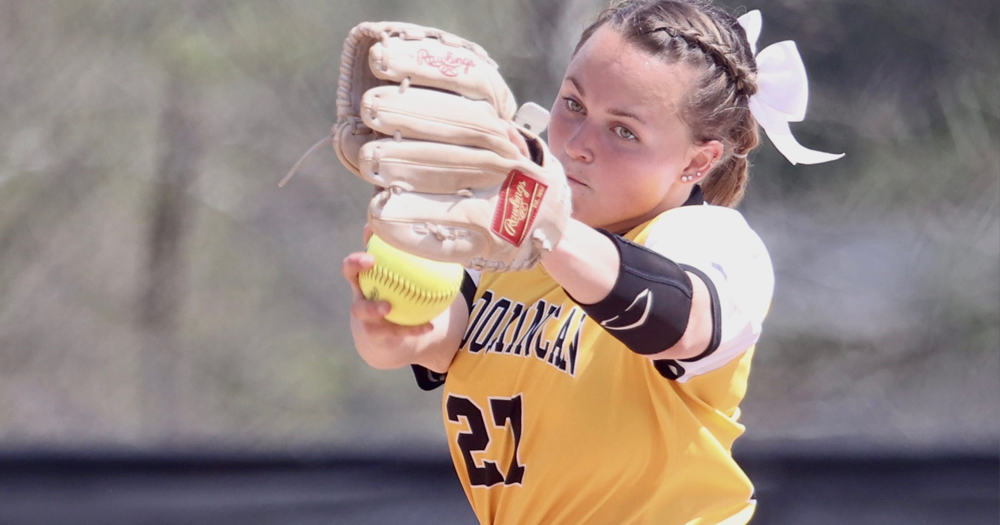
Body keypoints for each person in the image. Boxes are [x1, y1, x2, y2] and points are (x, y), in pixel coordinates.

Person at [341, 1, 841, 523]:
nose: (578, 144)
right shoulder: (514, 245)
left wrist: (545, 224)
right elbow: (430, 340)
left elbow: (676, 320)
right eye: (574, 104)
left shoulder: (708, 239)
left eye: (623, 131)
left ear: (698, 161)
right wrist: (387, 323)